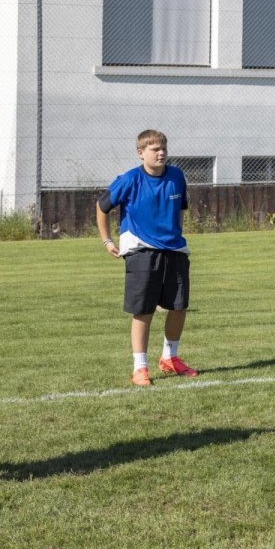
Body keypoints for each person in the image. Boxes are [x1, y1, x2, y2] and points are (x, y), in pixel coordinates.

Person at [96, 129, 198, 387]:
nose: (161, 152)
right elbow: (102, 206)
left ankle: (170, 358)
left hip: (174, 249)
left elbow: (180, 209)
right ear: (141, 153)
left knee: (179, 306)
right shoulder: (129, 179)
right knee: (143, 310)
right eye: (154, 149)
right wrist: (107, 240)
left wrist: (175, 236)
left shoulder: (177, 176)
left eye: (163, 147)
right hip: (141, 250)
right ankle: (139, 368)